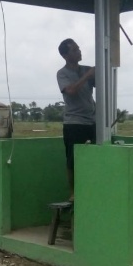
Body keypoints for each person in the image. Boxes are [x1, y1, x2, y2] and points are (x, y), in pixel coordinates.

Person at [56, 38, 96, 202]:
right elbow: (71, 90)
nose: (79, 52)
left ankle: (91, 188)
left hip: (92, 121)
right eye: (74, 50)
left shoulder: (86, 69)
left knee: (93, 157)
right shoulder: (62, 73)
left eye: (79, 49)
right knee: (72, 159)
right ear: (65, 55)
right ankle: (73, 193)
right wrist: (87, 76)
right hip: (74, 123)